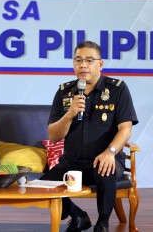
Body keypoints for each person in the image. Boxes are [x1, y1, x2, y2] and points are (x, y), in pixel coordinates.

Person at [40, 40, 138, 232]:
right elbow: (53, 136)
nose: (83, 65)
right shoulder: (64, 92)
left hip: (104, 158)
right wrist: (69, 114)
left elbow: (125, 128)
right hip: (72, 162)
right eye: (78, 60)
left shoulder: (117, 89)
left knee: (105, 169)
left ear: (100, 64)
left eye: (89, 60)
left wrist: (110, 152)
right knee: (43, 186)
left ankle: (102, 223)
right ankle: (79, 215)